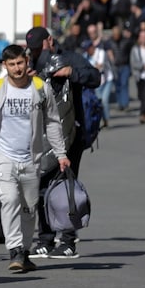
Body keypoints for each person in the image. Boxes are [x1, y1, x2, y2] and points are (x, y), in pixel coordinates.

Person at [0, 44, 70, 271]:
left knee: (30, 208)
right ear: (5, 66)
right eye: (12, 64)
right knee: (9, 199)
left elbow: (52, 122)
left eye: (20, 63)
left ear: (26, 62)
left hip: (31, 158)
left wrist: (61, 153)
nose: (17, 68)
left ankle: (25, 251)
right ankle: (15, 250)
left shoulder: (40, 88)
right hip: (2, 156)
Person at [25, 26, 100, 259]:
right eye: (33, 49)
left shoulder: (70, 58)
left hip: (71, 134)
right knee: (41, 186)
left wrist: (71, 73)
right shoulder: (32, 62)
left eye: (39, 47)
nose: (37, 52)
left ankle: (68, 241)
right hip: (41, 135)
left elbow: (96, 77)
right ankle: (46, 240)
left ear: (50, 40)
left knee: (64, 185)